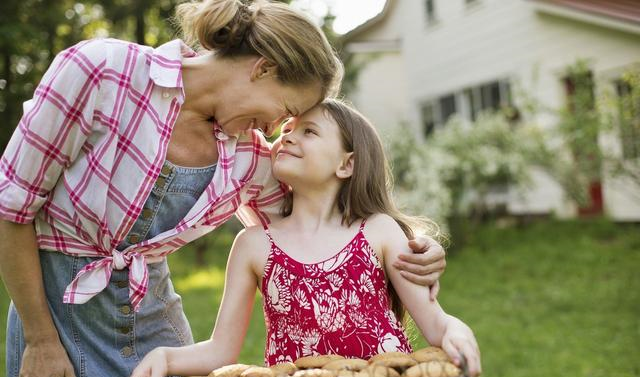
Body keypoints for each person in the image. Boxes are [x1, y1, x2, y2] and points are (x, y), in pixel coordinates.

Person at [0, 1, 447, 377]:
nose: (276, 130)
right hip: (54, 312)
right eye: (285, 111)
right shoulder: (102, 73)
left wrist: (416, 246)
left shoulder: (252, 159)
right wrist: (40, 338)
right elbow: (12, 209)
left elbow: (327, 229)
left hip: (154, 324)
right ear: (263, 68)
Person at [130, 99, 481, 377]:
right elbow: (221, 350)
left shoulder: (378, 231)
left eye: (309, 131)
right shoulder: (254, 245)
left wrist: (458, 332)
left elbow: (437, 324)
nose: (287, 137)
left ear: (347, 164)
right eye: (287, 129)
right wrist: (165, 356)